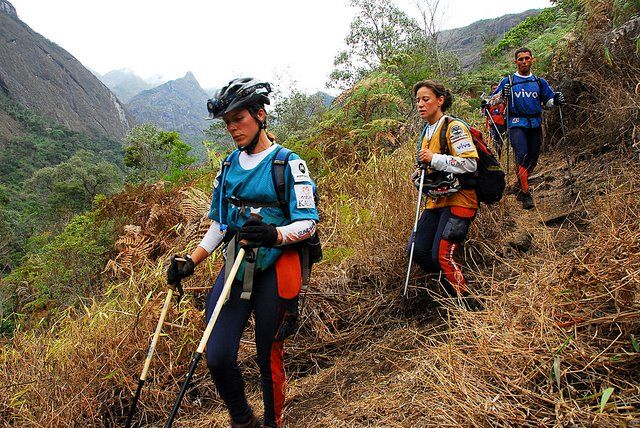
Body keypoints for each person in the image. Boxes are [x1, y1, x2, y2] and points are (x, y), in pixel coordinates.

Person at [167, 77, 319, 428]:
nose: (233, 128)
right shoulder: (228, 166)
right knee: (217, 354)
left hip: (278, 267)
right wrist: (192, 260)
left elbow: (308, 223)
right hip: (237, 266)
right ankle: (242, 420)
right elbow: (221, 224)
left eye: (239, 119)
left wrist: (274, 233)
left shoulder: (288, 164)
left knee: (269, 357)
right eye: (228, 122)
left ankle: (272, 423)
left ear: (260, 115)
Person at [411, 79, 482, 310]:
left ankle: (468, 305)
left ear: (440, 101)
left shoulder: (454, 127)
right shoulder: (426, 132)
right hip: (436, 201)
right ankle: (449, 285)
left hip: (461, 199)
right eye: (418, 100)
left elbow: (470, 164)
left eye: (426, 99)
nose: (420, 104)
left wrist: (434, 159)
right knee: (418, 250)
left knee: (442, 255)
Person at [493, 47, 564, 209]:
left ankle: (521, 183)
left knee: (533, 156)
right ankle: (525, 193)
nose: (524, 61)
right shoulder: (508, 81)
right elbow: (493, 101)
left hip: (535, 123)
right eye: (520, 59)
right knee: (522, 154)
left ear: (532, 59)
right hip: (516, 123)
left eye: (526, 58)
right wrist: (502, 95)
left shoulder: (539, 82)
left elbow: (548, 102)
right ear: (515, 62)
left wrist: (557, 100)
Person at [480, 83, 506, 157]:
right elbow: (483, 114)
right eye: (493, 88)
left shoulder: (503, 99)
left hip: (502, 123)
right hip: (492, 124)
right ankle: (495, 157)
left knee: (501, 142)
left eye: (496, 88)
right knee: (494, 142)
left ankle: (500, 157)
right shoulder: (488, 101)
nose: (495, 90)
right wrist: (483, 107)